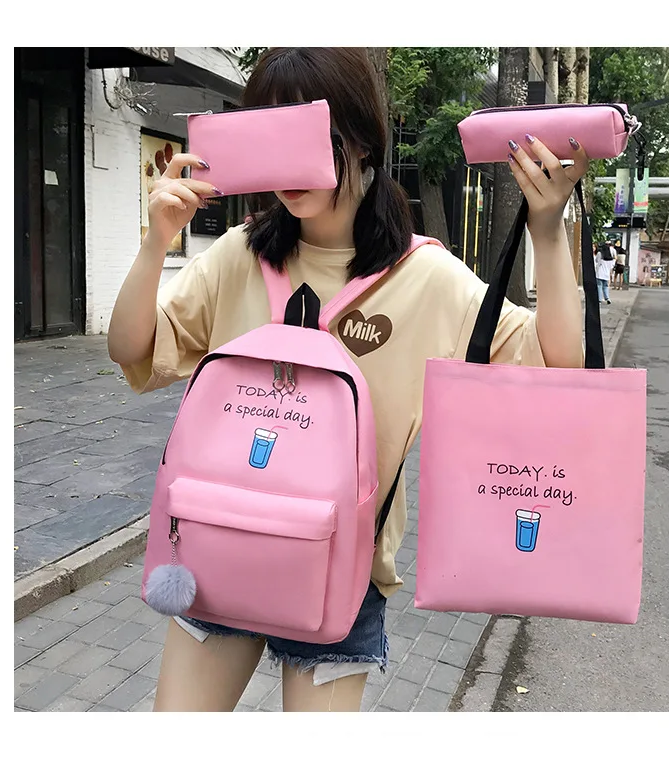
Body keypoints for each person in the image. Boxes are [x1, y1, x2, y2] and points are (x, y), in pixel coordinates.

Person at [107, 47, 588, 713]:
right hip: (220, 546)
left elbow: (559, 366)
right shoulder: (239, 253)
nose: (287, 160)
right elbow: (131, 348)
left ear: (361, 137)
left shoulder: (425, 277)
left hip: (343, 569)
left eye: (307, 131)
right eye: (268, 131)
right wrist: (155, 241)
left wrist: (549, 233)